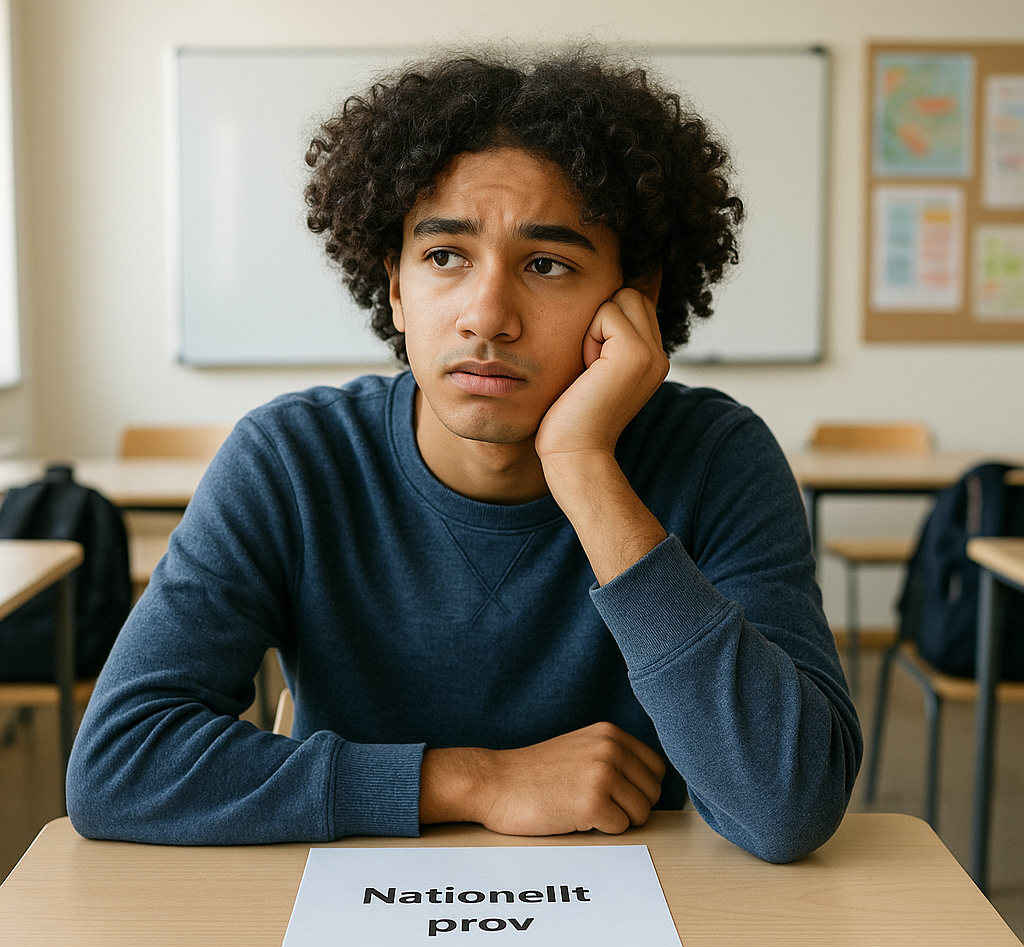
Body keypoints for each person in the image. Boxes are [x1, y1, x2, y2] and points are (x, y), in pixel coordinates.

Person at [66, 49, 861, 863]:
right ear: (398, 287)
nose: (487, 316)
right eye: (445, 256)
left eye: (547, 264)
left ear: (637, 298)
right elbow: (118, 765)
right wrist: (474, 782)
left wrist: (584, 464)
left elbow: (788, 806)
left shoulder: (717, 459)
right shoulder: (293, 461)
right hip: (349, 917)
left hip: (649, 923)